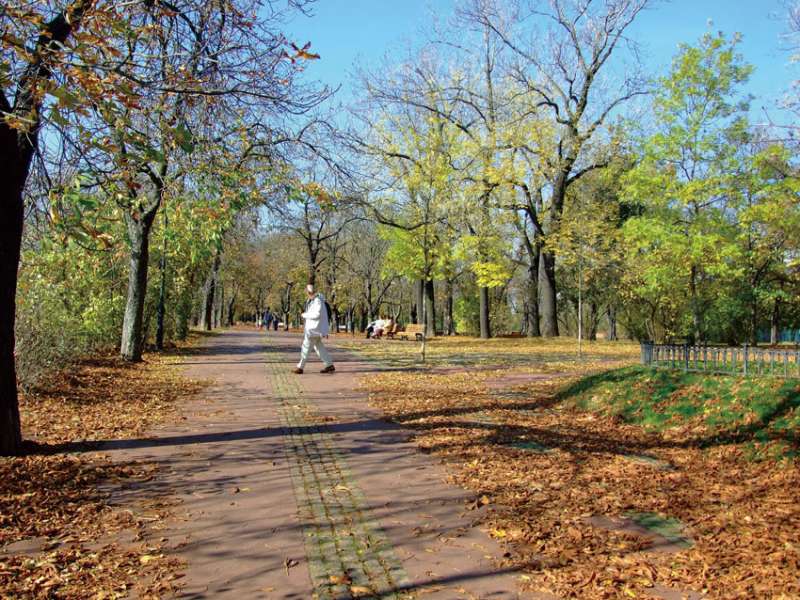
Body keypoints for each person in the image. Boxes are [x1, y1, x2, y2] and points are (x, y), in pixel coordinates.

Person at [294, 284, 335, 374]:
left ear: (310, 293)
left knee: (306, 347)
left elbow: (316, 315)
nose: (308, 294)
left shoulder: (317, 301)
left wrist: (304, 315)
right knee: (319, 348)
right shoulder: (316, 300)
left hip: (313, 330)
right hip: (315, 329)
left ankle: (300, 367)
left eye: (308, 293)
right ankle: (329, 365)